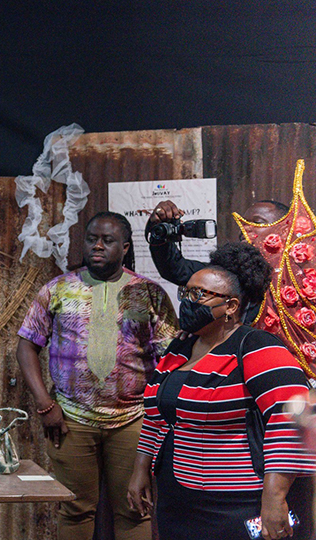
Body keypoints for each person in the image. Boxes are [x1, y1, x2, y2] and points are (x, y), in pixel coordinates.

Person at [127, 242, 316, 540]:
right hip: (179, 501)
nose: (188, 302)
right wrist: (141, 469)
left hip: (240, 505)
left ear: (230, 306)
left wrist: (275, 497)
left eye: (199, 295)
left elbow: (297, 419)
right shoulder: (180, 349)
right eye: (185, 293)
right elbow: (156, 416)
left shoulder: (256, 347)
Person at [16, 211, 179, 540]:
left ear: (125, 246)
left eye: (108, 241)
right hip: (71, 420)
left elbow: (172, 358)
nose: (98, 246)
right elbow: (26, 346)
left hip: (134, 420)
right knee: (74, 509)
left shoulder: (149, 293)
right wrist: (46, 404)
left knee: (136, 507)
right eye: (92, 239)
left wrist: (160, 413)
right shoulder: (58, 289)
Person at [147, 198, 288, 287]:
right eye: (242, 223)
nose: (245, 229)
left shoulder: (303, 278)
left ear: (284, 230)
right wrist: (160, 231)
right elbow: (176, 270)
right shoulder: (229, 273)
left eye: (257, 223)